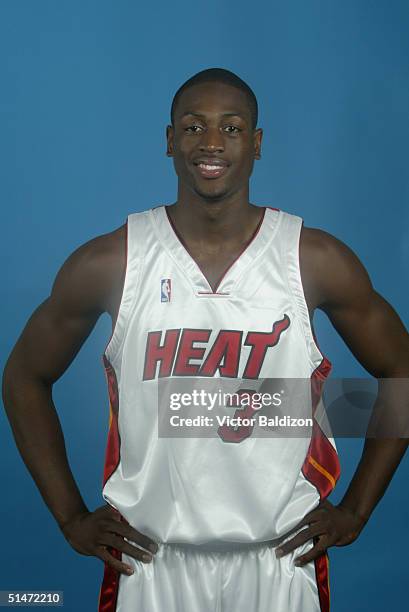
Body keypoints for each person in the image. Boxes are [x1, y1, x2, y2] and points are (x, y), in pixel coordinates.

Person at [2, 67, 408, 612]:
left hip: (280, 560)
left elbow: (400, 375)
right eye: (193, 127)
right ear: (169, 140)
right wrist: (71, 516)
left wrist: (356, 507)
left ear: (257, 144)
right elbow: (24, 377)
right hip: (151, 561)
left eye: (232, 128)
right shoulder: (112, 261)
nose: (212, 143)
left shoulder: (312, 260)